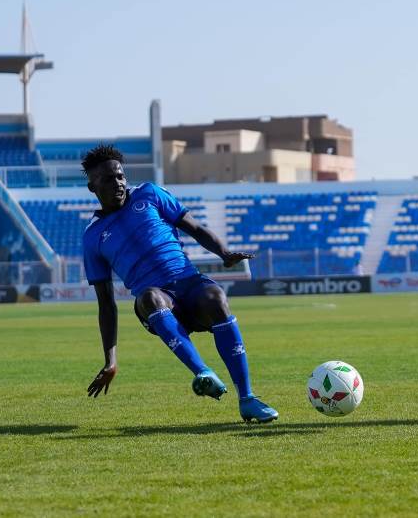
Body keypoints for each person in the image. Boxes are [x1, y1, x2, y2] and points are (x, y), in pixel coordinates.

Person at [81, 144, 278, 423]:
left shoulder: (150, 194)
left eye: (121, 176)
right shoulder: (93, 237)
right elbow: (106, 305)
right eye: (108, 179)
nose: (118, 183)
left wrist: (223, 253)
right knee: (149, 298)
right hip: (160, 301)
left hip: (189, 285)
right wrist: (110, 360)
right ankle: (203, 373)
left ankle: (247, 399)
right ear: (92, 187)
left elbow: (195, 228)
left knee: (216, 297)